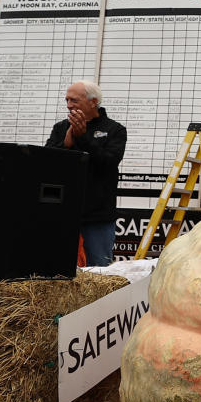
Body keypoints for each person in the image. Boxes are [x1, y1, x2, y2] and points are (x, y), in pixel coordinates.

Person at [45, 81, 126, 267]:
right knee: (56, 268)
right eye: (67, 100)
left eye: (74, 100)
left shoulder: (115, 130)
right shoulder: (60, 128)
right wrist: (66, 145)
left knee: (98, 271)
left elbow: (108, 162)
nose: (68, 105)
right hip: (62, 213)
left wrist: (84, 138)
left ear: (93, 102)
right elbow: (47, 162)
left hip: (98, 216)